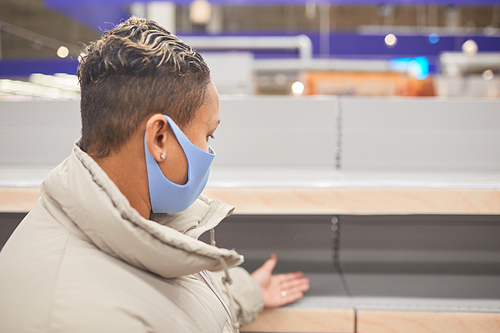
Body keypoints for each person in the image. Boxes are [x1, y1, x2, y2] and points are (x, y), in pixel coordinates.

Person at [0, 17, 309, 333]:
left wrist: (248, 291)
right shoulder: (83, 317)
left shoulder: (129, 222)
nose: (208, 151)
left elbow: (171, 302)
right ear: (159, 138)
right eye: (208, 136)